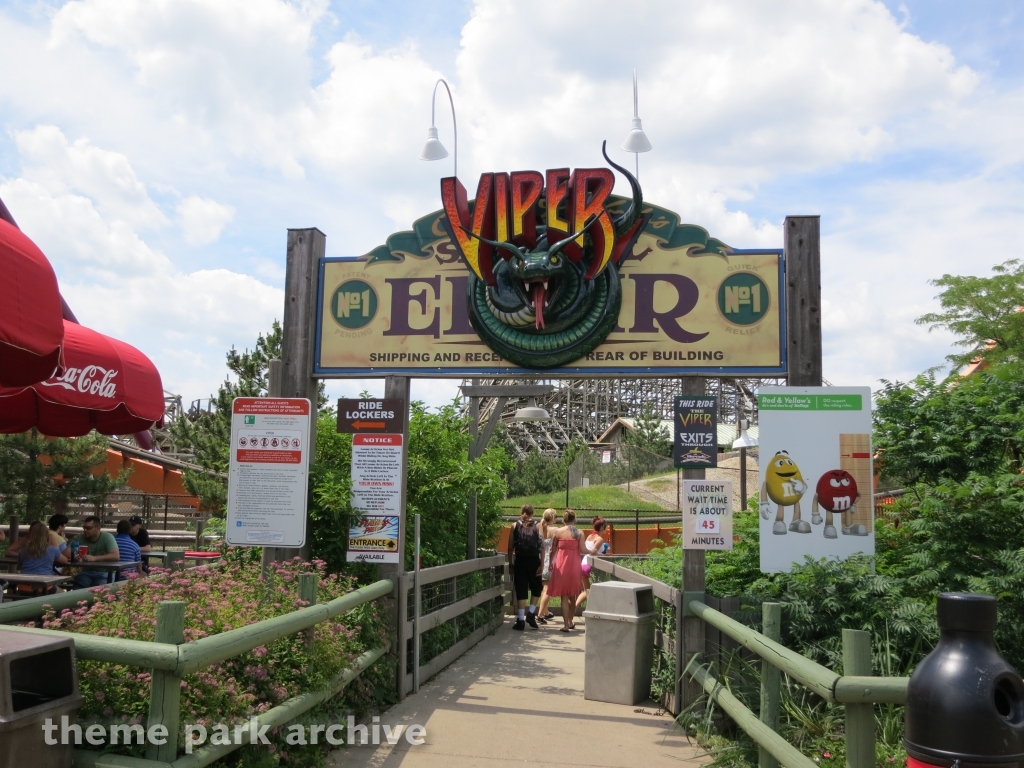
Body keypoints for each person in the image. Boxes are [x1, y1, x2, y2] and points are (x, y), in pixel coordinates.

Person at [546, 509, 589, 632]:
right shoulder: (579, 532)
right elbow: (583, 549)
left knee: (564, 596)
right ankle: (570, 620)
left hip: (561, 565)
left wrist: (550, 563)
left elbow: (552, 551)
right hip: (575, 565)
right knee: (573, 594)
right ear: (574, 519)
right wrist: (594, 552)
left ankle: (565, 624)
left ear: (563, 520)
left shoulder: (557, 532)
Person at [507, 504, 543, 630]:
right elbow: (541, 547)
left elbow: (510, 547)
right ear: (533, 512)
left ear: (521, 511)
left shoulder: (515, 525)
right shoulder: (538, 525)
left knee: (521, 588)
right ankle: (531, 613)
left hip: (520, 561)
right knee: (537, 587)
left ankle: (521, 620)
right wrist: (542, 564)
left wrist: (511, 564)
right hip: (534, 561)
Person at [17, 521, 68, 595]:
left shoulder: (23, 550)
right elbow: (64, 561)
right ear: (47, 535)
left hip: (23, 587)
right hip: (45, 587)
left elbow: (20, 564)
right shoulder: (52, 550)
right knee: (63, 595)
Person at [72, 516, 120, 589]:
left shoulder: (107, 537)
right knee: (78, 591)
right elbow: (66, 552)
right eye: (84, 527)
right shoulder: (79, 537)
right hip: (85, 572)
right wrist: (75, 555)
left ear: (98, 528)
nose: (85, 530)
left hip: (104, 573)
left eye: (88, 528)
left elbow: (115, 556)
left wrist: (94, 558)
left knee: (99, 594)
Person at [578, 517, 611, 608]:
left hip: (583, 564)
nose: (606, 528)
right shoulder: (599, 539)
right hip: (590, 565)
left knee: (587, 591)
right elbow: (592, 552)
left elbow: (587, 549)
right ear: (601, 528)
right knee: (589, 591)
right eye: (605, 526)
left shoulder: (589, 536)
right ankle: (573, 609)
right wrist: (604, 556)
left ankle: (578, 610)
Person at [536, 509, 557, 623]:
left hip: (541, 560)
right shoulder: (555, 530)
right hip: (550, 561)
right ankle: (540, 614)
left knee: (544, 587)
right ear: (553, 518)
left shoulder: (540, 528)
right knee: (547, 589)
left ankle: (546, 612)